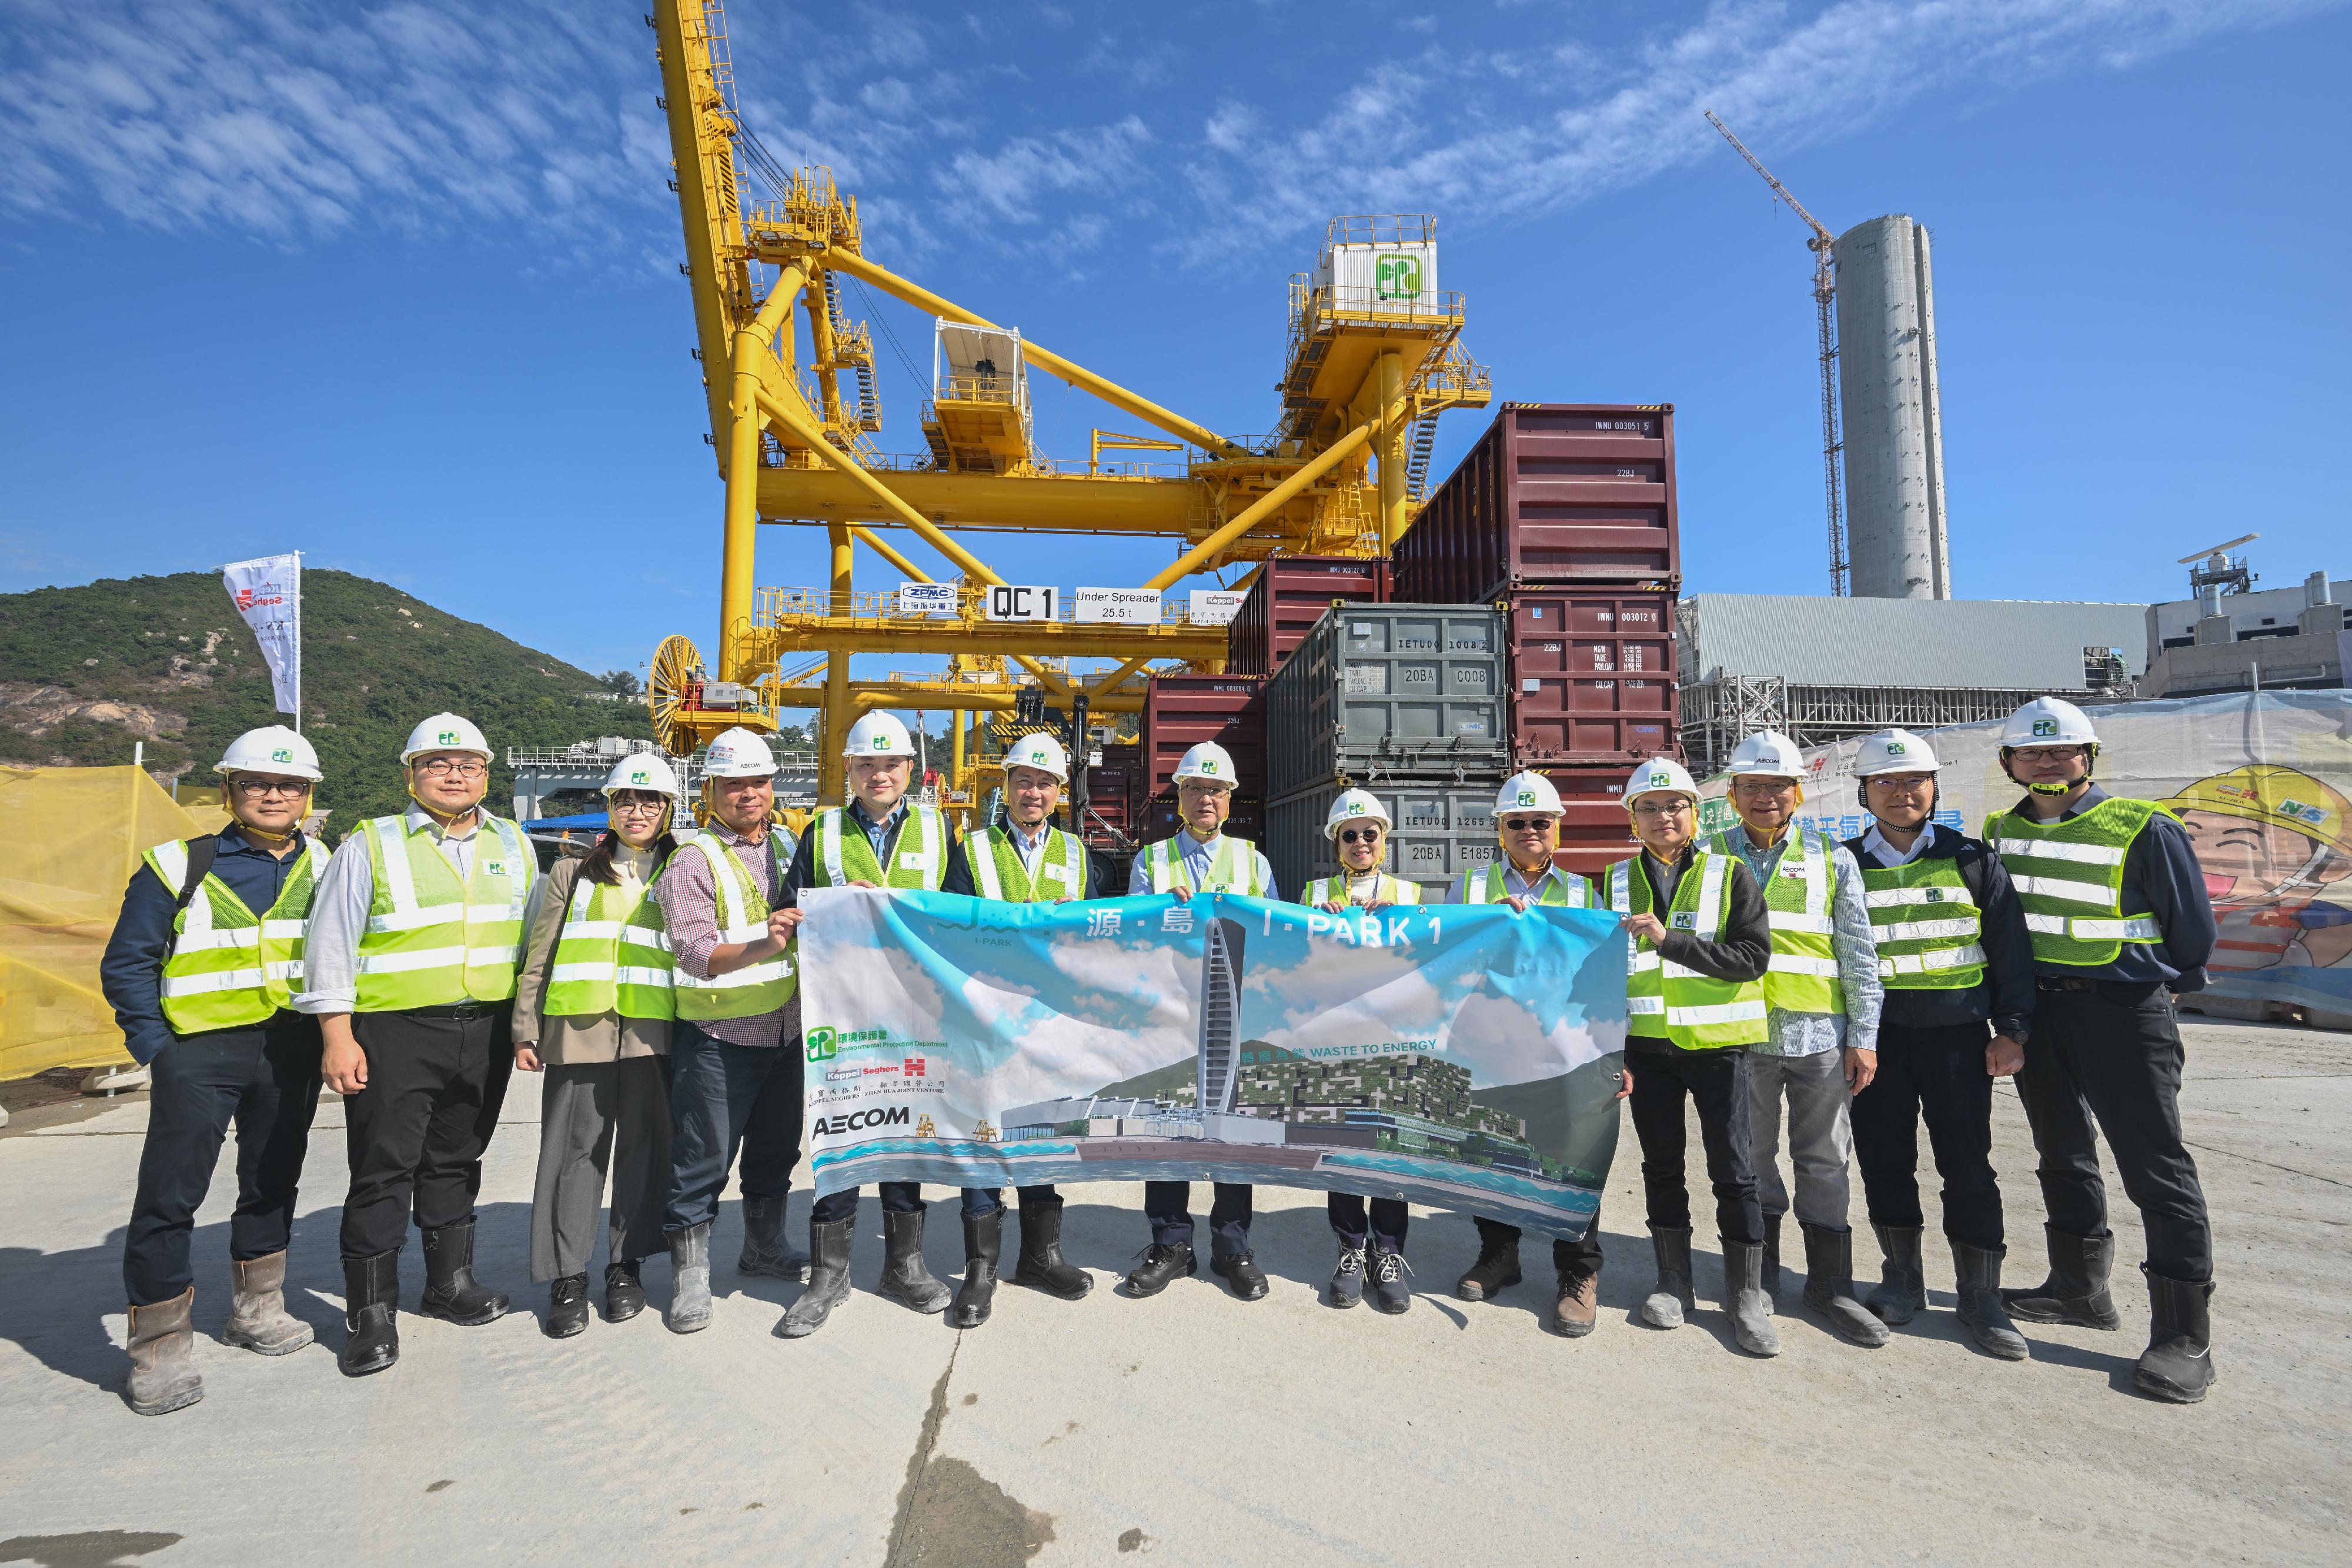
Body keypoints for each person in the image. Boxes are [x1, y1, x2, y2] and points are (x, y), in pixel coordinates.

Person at [1986, 697, 2221, 1402]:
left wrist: (2145, 989)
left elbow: (2192, 938)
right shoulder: (2001, 831)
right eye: (2032, 753)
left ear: (2088, 757)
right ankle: (2077, 1289)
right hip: (2039, 1016)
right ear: (2010, 765)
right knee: (2061, 1150)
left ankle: (2185, 1338)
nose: (2048, 763)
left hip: (2123, 1014)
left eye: (2062, 752)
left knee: (2155, 1166)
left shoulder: (2144, 827)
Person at [100, 726, 329, 1415]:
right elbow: (128, 962)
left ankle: (257, 1309)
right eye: (258, 782)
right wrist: (157, 1049)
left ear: (307, 794)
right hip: (199, 1051)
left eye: (289, 785)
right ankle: (159, 1348)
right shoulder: (178, 864)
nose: (273, 794)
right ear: (229, 789)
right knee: (170, 1196)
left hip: (290, 1048)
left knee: (271, 1179)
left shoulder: (329, 863)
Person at [300, 713, 536, 1376]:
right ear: (411, 773)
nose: (455, 774)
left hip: (483, 1030)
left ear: (487, 775)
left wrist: (523, 1028)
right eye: (438, 763)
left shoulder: (515, 843)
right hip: (395, 1032)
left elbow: (527, 946)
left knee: (458, 1160)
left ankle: (448, 1285)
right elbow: (331, 945)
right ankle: (370, 1315)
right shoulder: (370, 844)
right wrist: (336, 1035)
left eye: (468, 765)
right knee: (383, 1170)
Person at [1841, 729, 2034, 1359]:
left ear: (1933, 787)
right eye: (1885, 783)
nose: (1901, 793)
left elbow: (2010, 953)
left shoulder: (1972, 859)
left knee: (1968, 1167)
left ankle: (1981, 1297)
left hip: (1957, 1040)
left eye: (1912, 781)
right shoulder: (1843, 865)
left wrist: (2011, 1030)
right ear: (1865, 793)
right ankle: (1902, 1279)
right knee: (1884, 1161)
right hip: (1876, 1043)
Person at [777, 710, 961, 1337]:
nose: (878, 774)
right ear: (848, 770)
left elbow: (963, 917)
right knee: (841, 1135)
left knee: (906, 1137)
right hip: (843, 1017)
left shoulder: (940, 832)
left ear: (910, 769)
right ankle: (828, 1275)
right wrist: (833, 903)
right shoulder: (820, 832)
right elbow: (789, 912)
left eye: (890, 764)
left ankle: (904, 1265)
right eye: (866, 764)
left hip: (914, 1017)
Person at [1708, 730, 1887, 1349]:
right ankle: (1756, 1286)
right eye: (1752, 787)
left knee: (1826, 1160)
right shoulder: (1710, 858)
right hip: (1742, 1039)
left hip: (1818, 1036)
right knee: (1750, 1162)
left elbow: (1858, 952)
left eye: (1777, 786)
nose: (1765, 798)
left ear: (1797, 792)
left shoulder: (1830, 856)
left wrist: (1863, 1036)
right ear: (1731, 794)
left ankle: (1831, 1287)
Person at [1606, 757, 1779, 1356]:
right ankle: (1672, 1281)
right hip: (1648, 1051)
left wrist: (1668, 941)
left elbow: (1752, 958)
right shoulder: (1615, 880)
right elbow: (1601, 974)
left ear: (1695, 813)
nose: (1662, 817)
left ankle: (1745, 1294)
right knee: (1661, 1166)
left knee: (1734, 1171)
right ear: (1633, 818)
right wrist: (1615, 1051)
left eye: (1674, 805)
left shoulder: (1729, 875)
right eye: (1648, 808)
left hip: (1716, 1049)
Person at [510, 754, 682, 1338]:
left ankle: (625, 1267)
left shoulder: (682, 871)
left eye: (651, 801)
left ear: (668, 809)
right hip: (578, 1030)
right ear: (610, 807)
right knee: (572, 1155)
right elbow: (543, 953)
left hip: (651, 1033)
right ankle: (567, 1277)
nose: (638, 811)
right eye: (626, 800)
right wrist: (524, 1027)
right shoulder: (571, 873)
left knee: (643, 1153)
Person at [938, 731, 1104, 1327]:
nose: (1032, 792)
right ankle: (980, 1271)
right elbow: (952, 930)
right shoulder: (973, 848)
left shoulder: (1080, 855)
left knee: (1043, 1136)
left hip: (1049, 1027)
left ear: (1060, 793)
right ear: (1005, 787)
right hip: (986, 1022)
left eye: (1044, 783)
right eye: (1023, 781)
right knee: (984, 1139)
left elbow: (1094, 940)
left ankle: (1041, 1256)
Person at [1447, 771, 1613, 1338]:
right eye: (1515, 822)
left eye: (1539, 821)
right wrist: (1486, 924)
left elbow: (1601, 978)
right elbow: (1446, 964)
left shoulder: (1582, 893)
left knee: (1574, 1156)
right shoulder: (1469, 889)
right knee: (1492, 1152)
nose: (1528, 830)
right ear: (1500, 829)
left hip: (1562, 1052)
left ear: (1557, 827)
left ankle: (1577, 1273)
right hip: (1492, 1048)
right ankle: (1500, 1254)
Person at [653, 726, 806, 1336]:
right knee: (703, 1161)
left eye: (759, 782)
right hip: (721, 1037)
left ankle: (763, 1248)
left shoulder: (791, 845)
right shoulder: (692, 860)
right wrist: (763, 946)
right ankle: (690, 1279)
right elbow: (694, 953)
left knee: (775, 1153)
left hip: (786, 1035)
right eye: (734, 784)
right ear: (710, 790)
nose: (748, 794)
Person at [1124, 740, 1278, 1302]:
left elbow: (1275, 941)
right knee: (1166, 1129)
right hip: (1171, 1014)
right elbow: (1131, 942)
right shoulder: (1151, 862)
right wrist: (1161, 907)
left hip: (1233, 1017)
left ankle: (1232, 1246)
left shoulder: (1254, 862)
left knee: (1233, 1133)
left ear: (1230, 797)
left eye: (1215, 789)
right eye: (1194, 788)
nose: (1205, 797)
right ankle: (1171, 1244)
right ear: (1179, 796)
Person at [1298, 788, 1423, 1315]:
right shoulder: (1313, 893)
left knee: (1391, 1151)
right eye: (1349, 835)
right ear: (1336, 842)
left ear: (1384, 838)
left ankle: (1388, 1253)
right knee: (1344, 1147)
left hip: (1393, 1039)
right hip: (1335, 1040)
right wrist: (1317, 926)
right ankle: (1351, 1249)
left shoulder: (1410, 893)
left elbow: (1425, 964)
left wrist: (1401, 926)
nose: (1360, 842)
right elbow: (1297, 965)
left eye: (1370, 833)